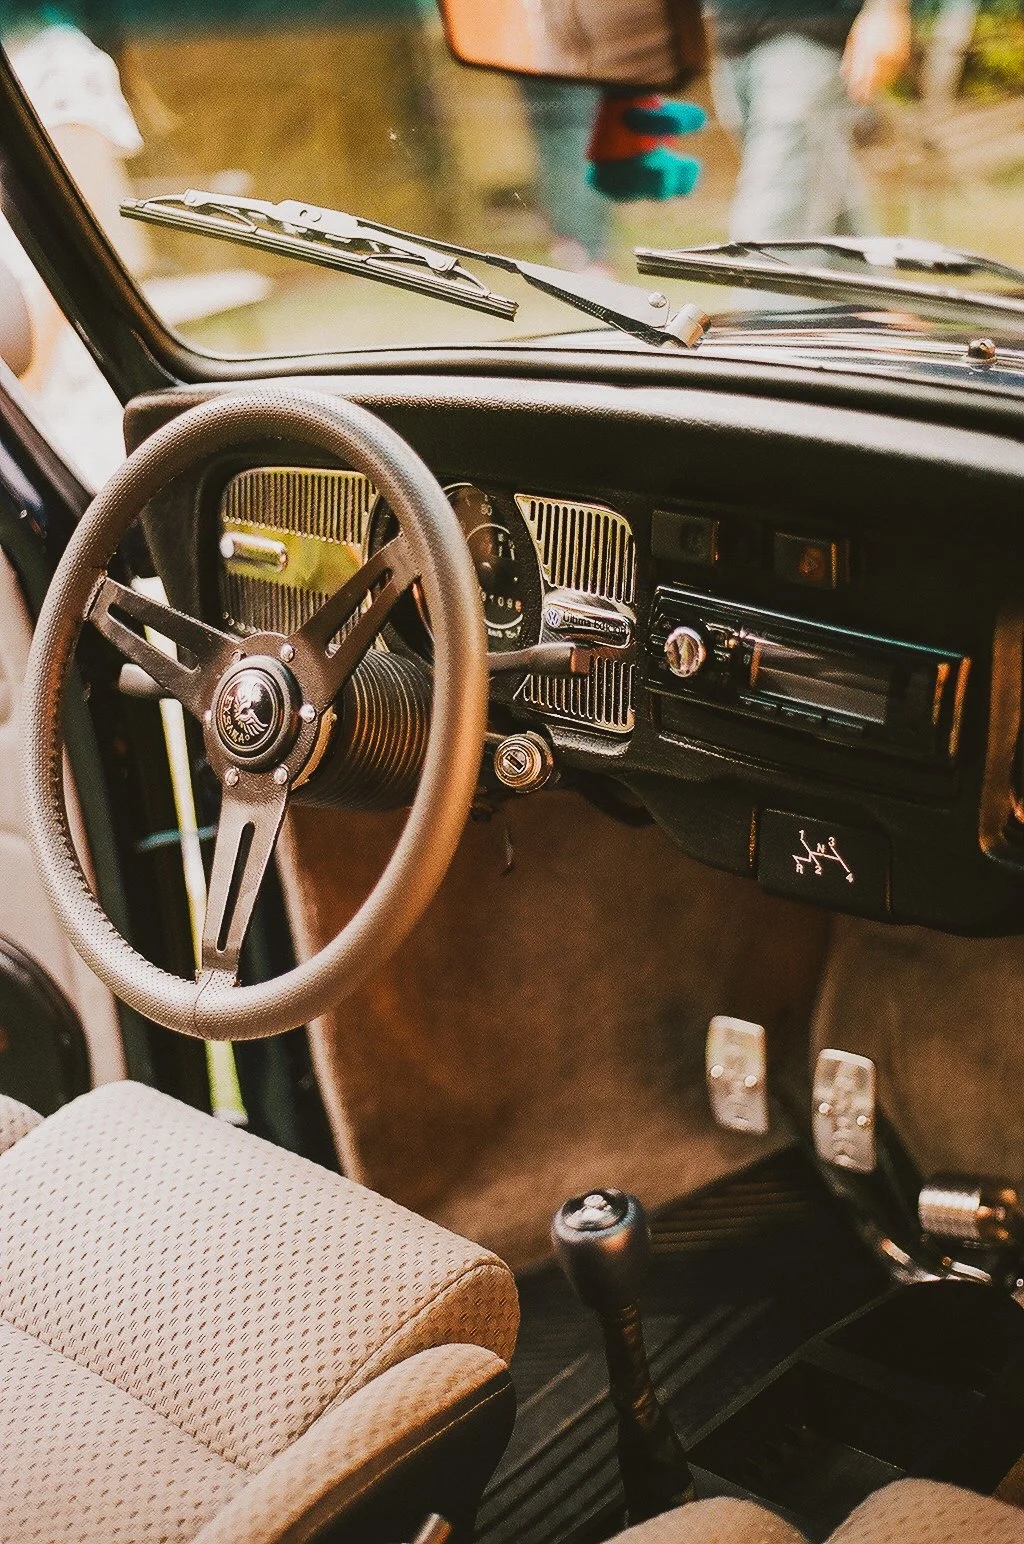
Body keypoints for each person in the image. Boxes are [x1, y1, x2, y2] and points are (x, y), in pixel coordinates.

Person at [707, 0, 912, 240]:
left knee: (770, 228)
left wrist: (887, 9)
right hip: (733, 36)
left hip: (809, 34)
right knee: (822, 210)